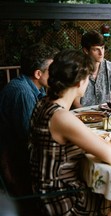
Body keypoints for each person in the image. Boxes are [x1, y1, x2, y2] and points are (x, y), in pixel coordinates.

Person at [29, 49, 111, 215]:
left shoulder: (43, 103)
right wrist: (104, 142)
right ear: (80, 82)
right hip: (62, 202)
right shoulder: (61, 117)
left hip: (42, 194)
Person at [0, 43, 58, 215]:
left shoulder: (32, 88)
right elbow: (31, 137)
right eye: (52, 71)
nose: (55, 75)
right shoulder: (22, 93)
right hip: (15, 165)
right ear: (38, 74)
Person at [73, 30, 111, 108]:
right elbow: (76, 103)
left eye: (102, 48)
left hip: (107, 114)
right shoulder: (78, 70)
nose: (101, 53)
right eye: (96, 49)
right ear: (86, 50)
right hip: (83, 116)